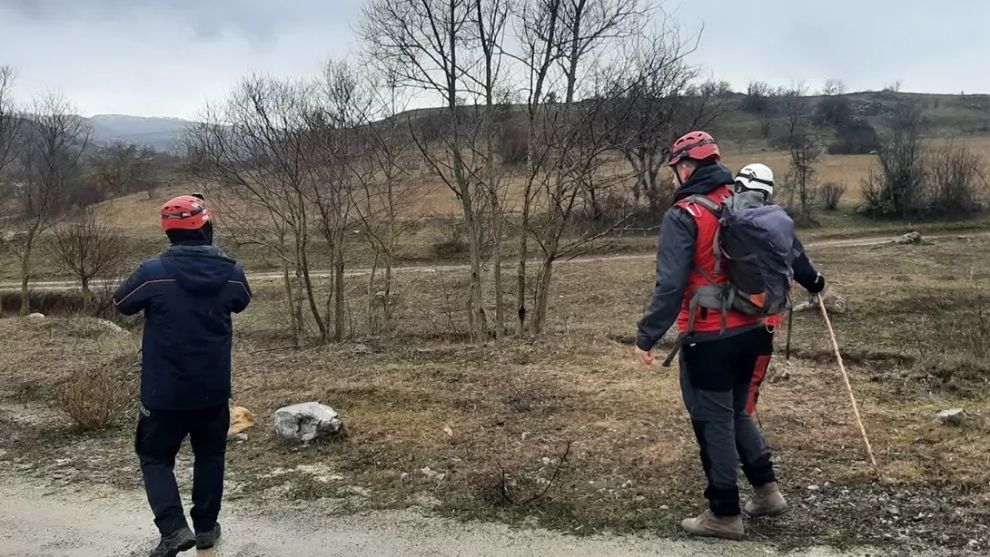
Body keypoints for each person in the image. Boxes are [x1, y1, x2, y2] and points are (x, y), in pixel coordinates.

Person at [633, 132, 807, 540]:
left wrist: (646, 336)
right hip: (755, 329)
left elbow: (671, 285)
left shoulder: (685, 214)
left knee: (712, 420)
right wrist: (812, 281)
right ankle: (767, 493)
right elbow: (792, 252)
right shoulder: (743, 201)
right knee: (736, 412)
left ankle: (724, 513)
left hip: (709, 335)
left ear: (687, 167)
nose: (677, 176)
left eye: (677, 168)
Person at [114, 195, 251, 557]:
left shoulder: (152, 273)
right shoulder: (232, 274)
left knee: (155, 457)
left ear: (169, 232)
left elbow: (121, 303)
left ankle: (173, 529)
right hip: (212, 388)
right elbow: (242, 301)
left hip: (164, 392)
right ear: (207, 226)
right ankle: (205, 529)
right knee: (210, 455)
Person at [731, 163, 826, 416]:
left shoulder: (723, 215)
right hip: (762, 319)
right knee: (749, 379)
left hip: (721, 316)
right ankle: (741, 428)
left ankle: (722, 433)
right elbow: (804, 271)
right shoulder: (775, 224)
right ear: (767, 192)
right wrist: (818, 283)